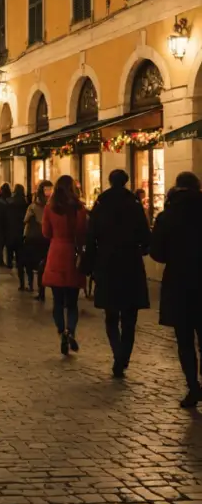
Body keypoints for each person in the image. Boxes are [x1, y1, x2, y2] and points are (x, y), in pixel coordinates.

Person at [83, 169, 150, 378]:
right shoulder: (134, 204)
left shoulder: (101, 204)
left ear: (110, 181)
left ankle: (118, 355)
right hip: (130, 263)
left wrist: (90, 264)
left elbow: (91, 236)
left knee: (111, 315)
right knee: (130, 316)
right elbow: (146, 237)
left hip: (107, 263)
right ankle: (123, 356)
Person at [150, 171, 202, 407]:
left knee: (184, 339)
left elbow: (157, 253)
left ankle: (193, 387)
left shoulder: (167, 216)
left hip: (179, 281)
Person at [42, 175, 88, 355]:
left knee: (58, 301)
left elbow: (46, 232)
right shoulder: (79, 208)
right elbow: (83, 232)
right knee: (73, 302)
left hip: (56, 253)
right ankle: (71, 330)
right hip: (73, 254)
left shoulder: (50, 208)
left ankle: (61, 332)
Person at [23, 180, 53, 299]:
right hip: (46, 238)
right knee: (44, 264)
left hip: (36, 238)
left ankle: (39, 290)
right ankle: (42, 289)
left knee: (37, 265)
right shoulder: (52, 205)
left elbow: (26, 220)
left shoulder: (34, 206)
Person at [6, 184, 28, 287]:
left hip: (11, 231)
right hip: (22, 233)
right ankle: (22, 281)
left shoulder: (9, 202)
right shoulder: (26, 203)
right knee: (21, 259)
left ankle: (9, 266)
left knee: (10, 252)